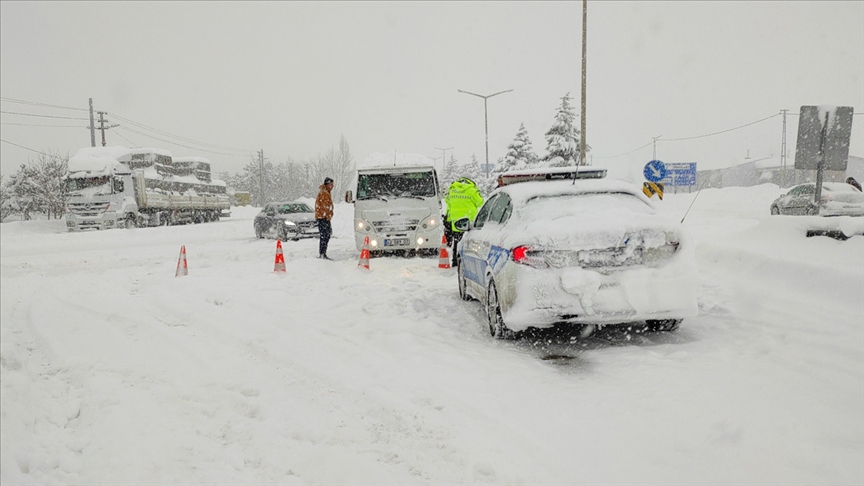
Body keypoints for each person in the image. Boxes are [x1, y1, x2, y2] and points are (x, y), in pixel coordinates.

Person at [444, 176, 484, 266]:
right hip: (468, 221)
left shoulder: (453, 189)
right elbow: (480, 202)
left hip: (456, 222)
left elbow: (448, 202)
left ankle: (455, 261)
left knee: (456, 242)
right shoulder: (472, 190)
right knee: (469, 242)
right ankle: (468, 262)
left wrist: (448, 219)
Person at [315, 177, 335, 260]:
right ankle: (322, 253)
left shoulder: (326, 192)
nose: (332, 186)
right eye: (331, 185)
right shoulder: (324, 193)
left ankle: (323, 253)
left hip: (324, 217)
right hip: (323, 218)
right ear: (327, 185)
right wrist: (327, 216)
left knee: (326, 235)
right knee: (325, 235)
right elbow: (324, 207)